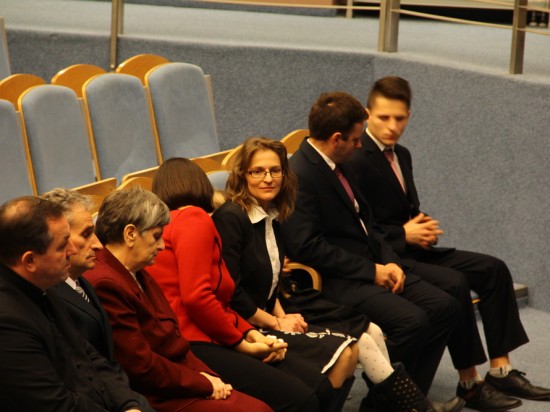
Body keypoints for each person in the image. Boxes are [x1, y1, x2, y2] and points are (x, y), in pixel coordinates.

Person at [212, 136, 464, 412]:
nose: (268, 178)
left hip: (278, 303)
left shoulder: (273, 212)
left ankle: (401, 407)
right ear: (242, 175)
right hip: (246, 320)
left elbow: (271, 283)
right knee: (360, 342)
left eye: (275, 170)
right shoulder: (232, 218)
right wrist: (276, 322)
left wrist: (281, 315)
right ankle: (416, 408)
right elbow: (232, 293)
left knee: (371, 329)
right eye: (257, 171)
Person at [348, 75, 550, 411]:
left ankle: (501, 370)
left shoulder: (402, 155)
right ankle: (470, 383)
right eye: (384, 117)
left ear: (409, 116)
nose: (393, 126)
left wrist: (421, 224)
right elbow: (358, 226)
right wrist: (403, 234)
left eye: (400, 118)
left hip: (417, 249)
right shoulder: (356, 159)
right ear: (368, 114)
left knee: (494, 269)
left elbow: (402, 208)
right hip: (390, 257)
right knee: (455, 283)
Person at [281, 91, 460, 401]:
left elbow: (369, 222)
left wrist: (391, 263)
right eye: (355, 139)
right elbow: (308, 247)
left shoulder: (342, 161)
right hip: (337, 279)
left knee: (445, 307)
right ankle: (388, 405)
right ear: (336, 139)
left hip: (372, 265)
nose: (360, 144)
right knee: (412, 322)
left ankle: (409, 401)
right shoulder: (300, 175)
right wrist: (372, 271)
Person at [149, 157, 359, 412]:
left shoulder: (162, 228)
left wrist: (251, 333)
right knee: (306, 396)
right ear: (201, 185)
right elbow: (198, 298)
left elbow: (217, 302)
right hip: (199, 342)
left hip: (201, 337)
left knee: (317, 386)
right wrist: (243, 343)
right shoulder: (193, 218)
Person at [84, 188, 271, 412]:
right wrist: (203, 382)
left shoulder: (136, 270)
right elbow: (140, 365)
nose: (162, 246)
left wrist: (209, 376)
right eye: (156, 236)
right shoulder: (107, 283)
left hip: (179, 378)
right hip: (157, 394)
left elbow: (176, 340)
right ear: (130, 234)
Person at [0, 196, 144, 411]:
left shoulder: (45, 285)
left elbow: (89, 357)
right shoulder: (7, 322)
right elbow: (54, 404)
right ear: (29, 261)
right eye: (61, 246)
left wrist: (128, 403)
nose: (72, 250)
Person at [42, 188, 155, 411]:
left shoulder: (81, 281)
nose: (98, 244)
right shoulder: (49, 295)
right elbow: (79, 375)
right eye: (86, 234)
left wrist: (131, 402)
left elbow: (105, 362)